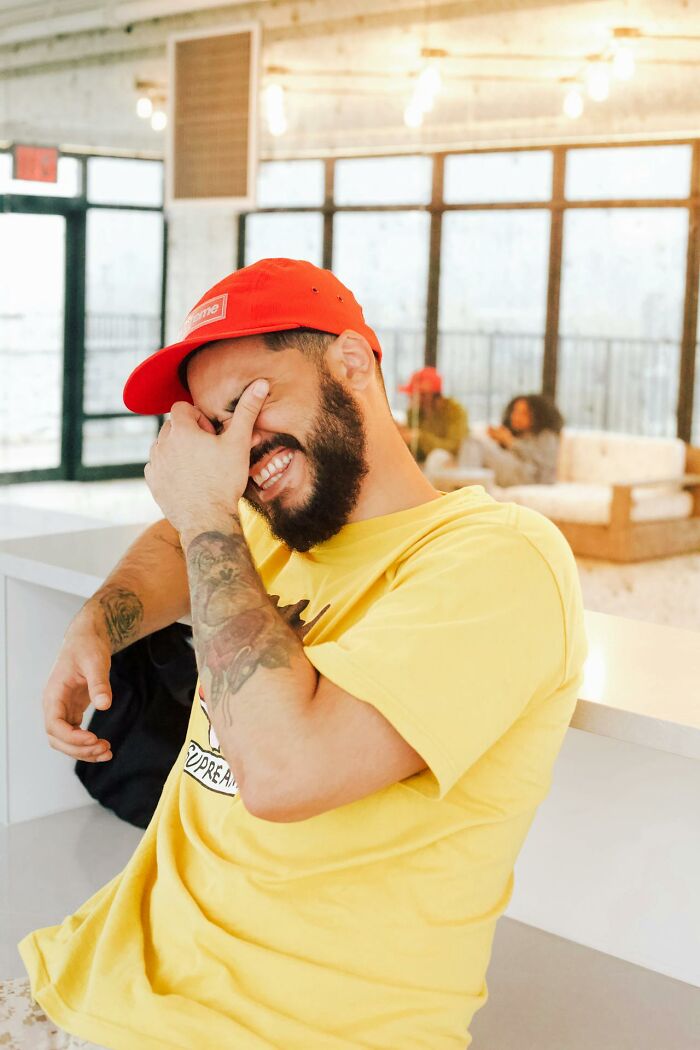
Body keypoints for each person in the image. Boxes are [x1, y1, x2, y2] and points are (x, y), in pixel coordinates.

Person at [12, 259, 587, 1050]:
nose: (237, 450)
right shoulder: (269, 530)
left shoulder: (501, 560)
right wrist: (99, 624)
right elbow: (176, 540)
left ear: (352, 362)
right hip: (93, 976)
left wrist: (208, 504)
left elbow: (284, 775)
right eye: (215, 430)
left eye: (250, 402)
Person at [459, 392, 564, 487]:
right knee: (473, 441)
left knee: (474, 442)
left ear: (538, 416)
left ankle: (463, 487)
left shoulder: (547, 436)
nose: (515, 417)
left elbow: (542, 464)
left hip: (530, 477)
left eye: (523, 413)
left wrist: (510, 442)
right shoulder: (520, 435)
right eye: (515, 412)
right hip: (518, 472)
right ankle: (467, 485)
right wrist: (499, 440)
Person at [397, 365, 468, 463]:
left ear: (428, 395)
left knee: (436, 457)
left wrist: (420, 438)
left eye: (414, 394)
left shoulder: (455, 411)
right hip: (425, 462)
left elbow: (454, 447)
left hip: (453, 460)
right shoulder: (414, 413)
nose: (410, 397)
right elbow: (414, 451)